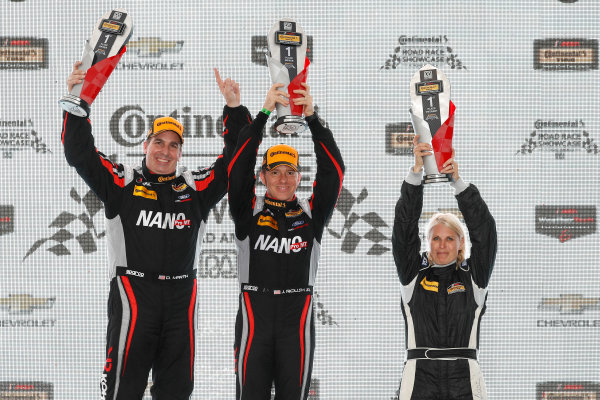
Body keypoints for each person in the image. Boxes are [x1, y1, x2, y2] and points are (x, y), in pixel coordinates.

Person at [62, 62, 251, 399]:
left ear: (181, 151)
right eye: (159, 142)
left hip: (180, 300)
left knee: (177, 391)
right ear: (146, 144)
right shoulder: (122, 183)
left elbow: (237, 162)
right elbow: (79, 153)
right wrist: (78, 100)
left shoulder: (195, 188)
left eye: (174, 145)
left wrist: (234, 109)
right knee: (123, 390)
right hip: (133, 294)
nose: (165, 151)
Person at [227, 82, 344, 400]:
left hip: (298, 317)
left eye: (289, 171)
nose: (282, 178)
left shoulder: (311, 214)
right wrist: (263, 114)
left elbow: (334, 172)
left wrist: (312, 118)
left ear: (299, 177)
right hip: (255, 314)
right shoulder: (247, 212)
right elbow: (237, 170)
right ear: (262, 176)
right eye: (274, 171)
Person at [392, 135, 497, 400]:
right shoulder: (413, 274)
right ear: (427, 243)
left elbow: (485, 232)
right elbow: (404, 229)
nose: (442, 245)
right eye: (435, 238)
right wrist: (416, 174)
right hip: (419, 377)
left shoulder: (475, 276)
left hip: (465, 379)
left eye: (449, 238)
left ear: (461, 242)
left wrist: (459, 185)